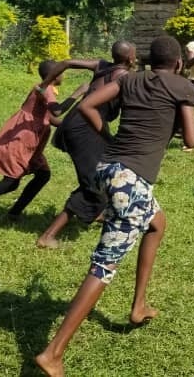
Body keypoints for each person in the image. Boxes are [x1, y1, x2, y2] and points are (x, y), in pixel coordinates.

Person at [35, 36, 194, 377]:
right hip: (131, 181)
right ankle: (53, 353)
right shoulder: (181, 86)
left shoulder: (127, 79)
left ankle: (138, 306)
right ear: (179, 64)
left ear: (148, 60)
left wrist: (109, 139)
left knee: (156, 223)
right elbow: (192, 139)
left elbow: (86, 106)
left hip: (106, 170)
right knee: (104, 265)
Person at [0, 61, 86, 226]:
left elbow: (53, 119)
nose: (64, 74)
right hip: (21, 140)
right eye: (62, 71)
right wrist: (78, 93)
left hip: (31, 141)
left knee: (42, 175)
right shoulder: (45, 88)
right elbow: (56, 111)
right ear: (55, 74)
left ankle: (14, 213)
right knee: (10, 183)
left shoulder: (45, 88)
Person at [35, 41, 137, 248]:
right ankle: (48, 235)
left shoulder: (102, 65)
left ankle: (101, 212)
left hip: (75, 122)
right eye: (134, 55)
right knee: (94, 182)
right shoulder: (124, 77)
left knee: (105, 172)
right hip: (86, 128)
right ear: (130, 59)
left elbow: (67, 62)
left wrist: (44, 84)